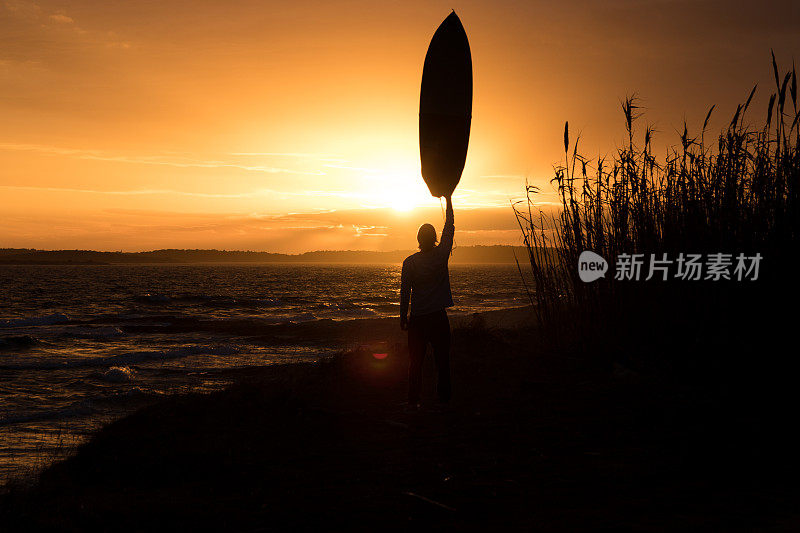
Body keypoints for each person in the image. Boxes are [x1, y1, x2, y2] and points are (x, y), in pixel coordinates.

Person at [400, 195, 454, 409]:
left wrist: (403, 316)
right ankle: (444, 399)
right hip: (438, 318)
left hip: (419, 319)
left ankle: (413, 400)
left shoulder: (410, 263)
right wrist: (449, 201)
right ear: (434, 238)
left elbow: (405, 292)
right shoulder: (441, 255)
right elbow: (449, 228)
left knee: (415, 363)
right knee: (443, 361)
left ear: (418, 239)